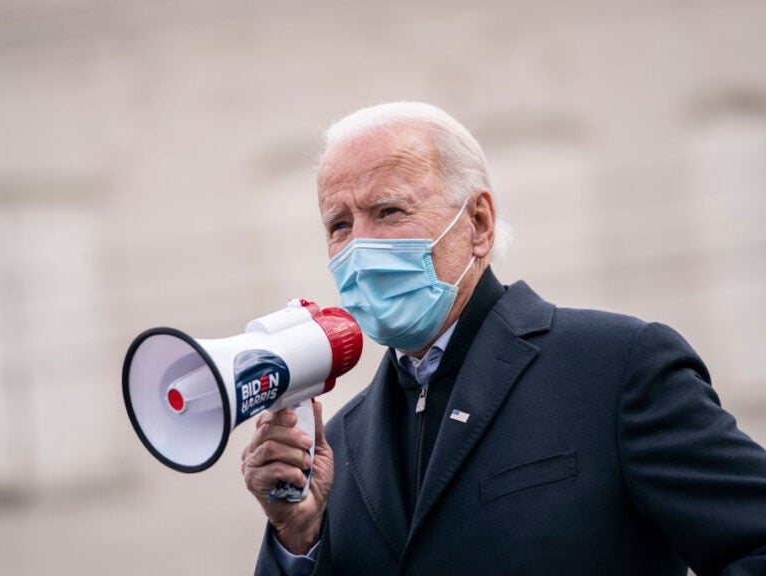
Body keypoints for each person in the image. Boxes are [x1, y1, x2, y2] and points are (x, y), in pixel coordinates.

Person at [241, 102, 766, 575]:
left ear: (479, 223)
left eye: (389, 212)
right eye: (339, 224)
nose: (359, 247)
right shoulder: (340, 444)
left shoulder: (616, 367)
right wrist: (299, 537)